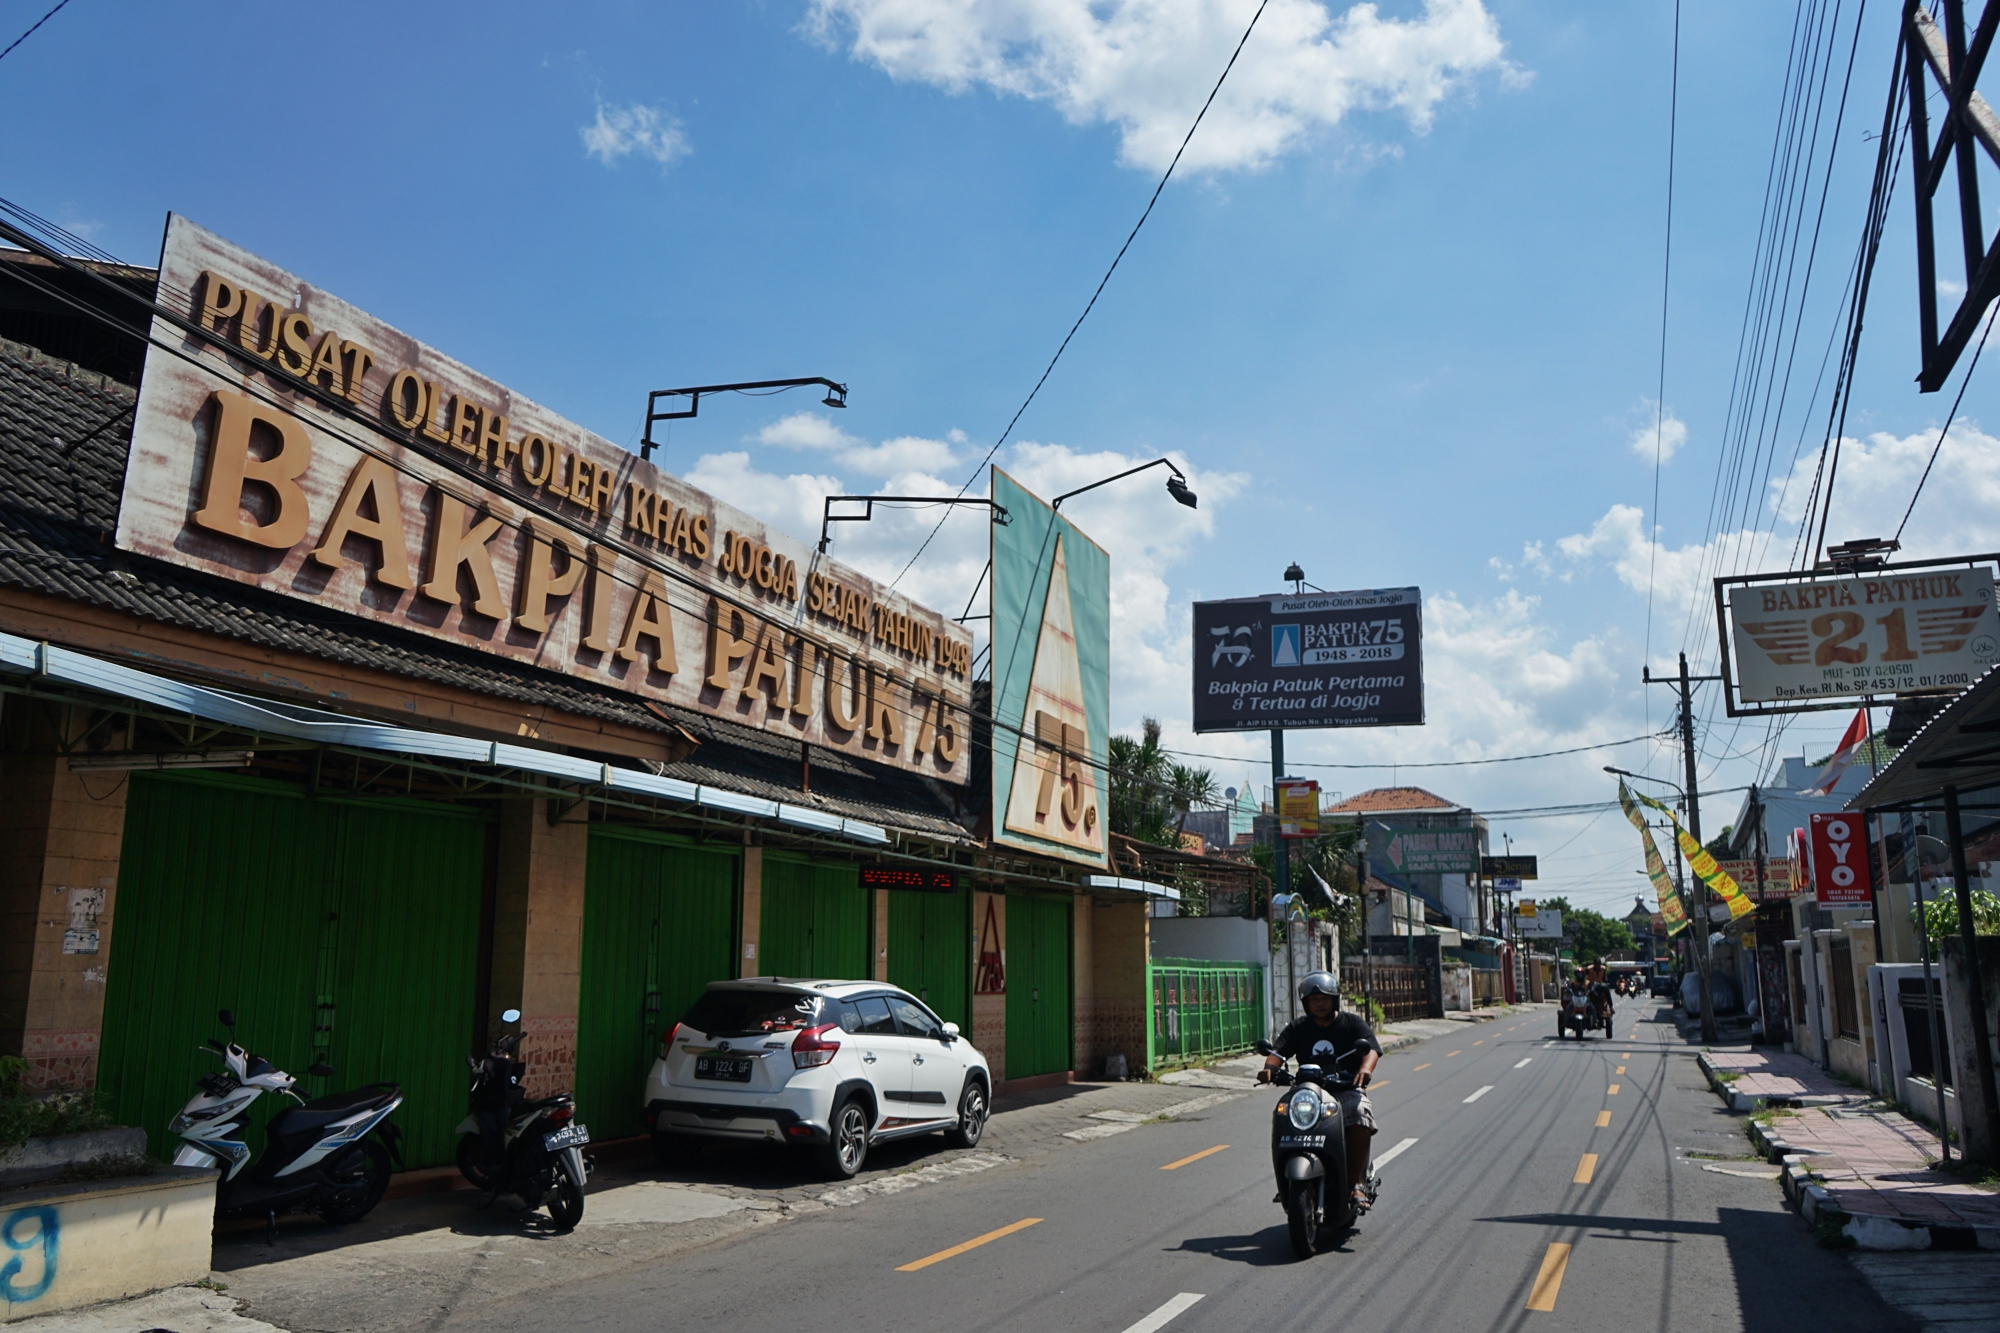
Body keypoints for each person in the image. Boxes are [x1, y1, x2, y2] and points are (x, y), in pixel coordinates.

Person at [1260, 972, 1380, 1213]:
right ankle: (1286, 1182)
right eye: (1314, 999)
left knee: (1359, 1112)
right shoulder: (1298, 1027)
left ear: (1334, 999)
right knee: (1283, 1114)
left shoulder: (1351, 1023)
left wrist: (1365, 1069)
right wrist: (1269, 1069)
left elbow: (1371, 1049)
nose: (1320, 1003)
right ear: (1306, 1003)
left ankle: (1355, 1184)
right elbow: (1278, 1052)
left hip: (1344, 1089)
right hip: (1308, 1092)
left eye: (1324, 998)